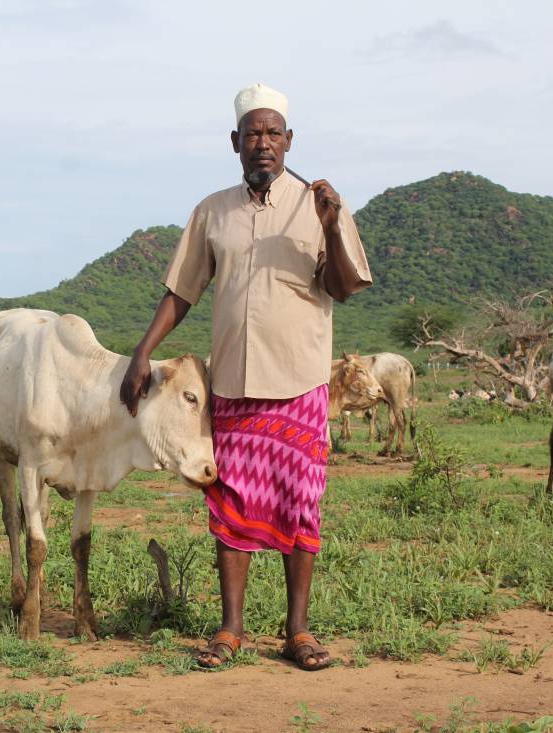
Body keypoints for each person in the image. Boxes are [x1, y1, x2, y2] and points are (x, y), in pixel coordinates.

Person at [119, 82, 372, 671]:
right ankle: (230, 629)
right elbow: (182, 290)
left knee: (298, 505)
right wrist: (141, 353)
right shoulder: (212, 211)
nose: (264, 143)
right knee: (229, 504)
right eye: (252, 134)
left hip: (300, 382)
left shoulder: (321, 204)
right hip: (232, 385)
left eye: (273, 133)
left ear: (289, 141)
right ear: (235, 143)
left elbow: (342, 287)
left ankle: (298, 632)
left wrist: (332, 227)